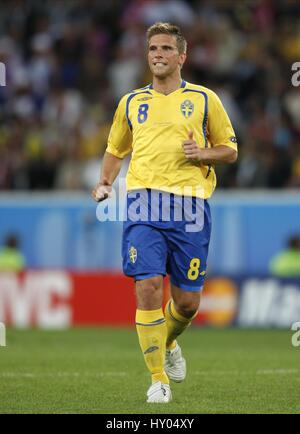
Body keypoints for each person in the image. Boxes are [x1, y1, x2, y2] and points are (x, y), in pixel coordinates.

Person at [92, 22, 238, 403]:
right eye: (153, 48)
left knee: (187, 303)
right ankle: (158, 379)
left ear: (182, 56)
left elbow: (230, 150)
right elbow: (115, 149)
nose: (158, 54)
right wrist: (106, 182)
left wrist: (202, 154)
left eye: (166, 49)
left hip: (191, 205)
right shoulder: (131, 103)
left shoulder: (206, 99)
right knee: (148, 287)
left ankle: (168, 343)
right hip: (143, 202)